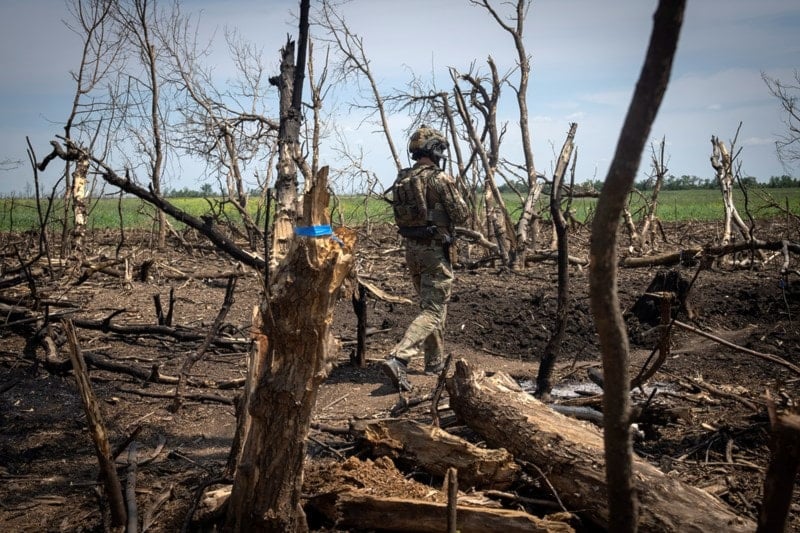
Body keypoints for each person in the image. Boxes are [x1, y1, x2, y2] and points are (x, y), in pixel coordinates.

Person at [381, 126, 469, 392]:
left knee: (433, 306)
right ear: (435, 150)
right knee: (433, 308)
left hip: (413, 250)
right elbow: (462, 214)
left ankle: (434, 363)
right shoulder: (439, 179)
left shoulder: (403, 179)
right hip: (434, 250)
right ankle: (400, 357)